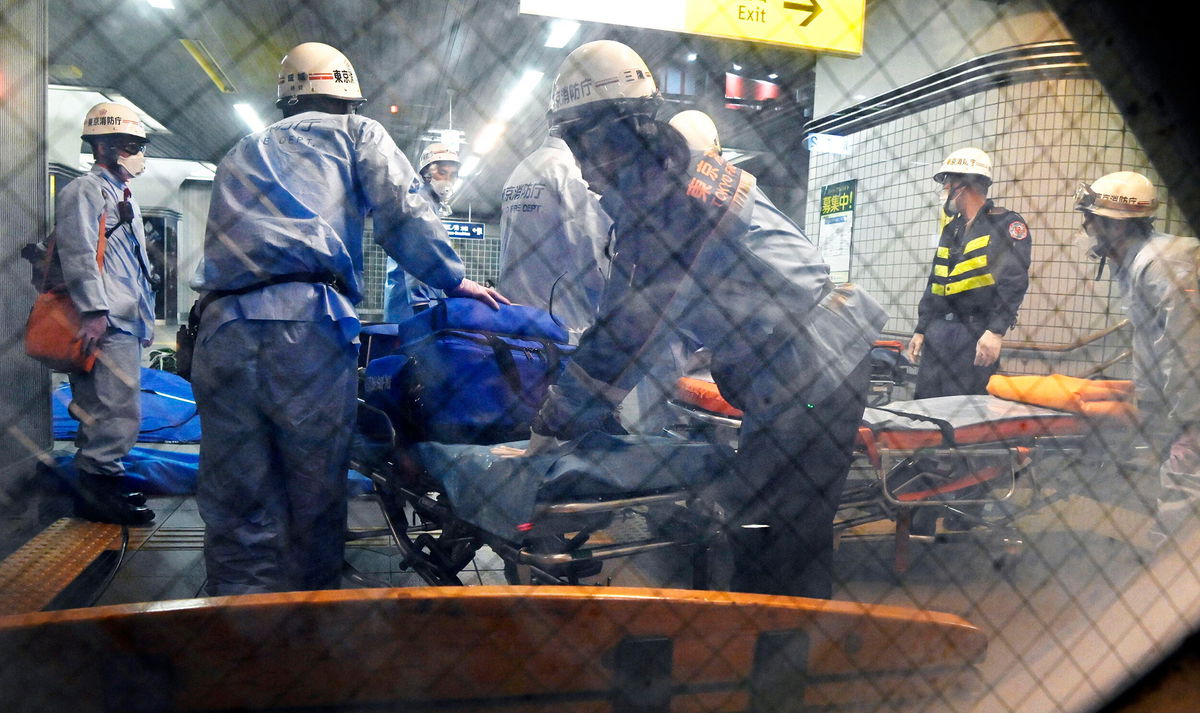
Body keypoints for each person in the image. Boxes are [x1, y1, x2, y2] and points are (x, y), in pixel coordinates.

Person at [527, 41, 887, 598]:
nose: (578, 163)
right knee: (777, 527)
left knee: (777, 532)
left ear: (606, 136)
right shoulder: (671, 174)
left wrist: (554, 419)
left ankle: (776, 660)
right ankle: (770, 643)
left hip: (812, 366)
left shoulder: (665, 199)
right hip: (803, 359)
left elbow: (626, 332)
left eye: (578, 142)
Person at [192, 42, 507, 595]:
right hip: (304, 324)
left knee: (235, 488)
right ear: (349, 99)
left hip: (223, 323)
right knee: (313, 478)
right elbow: (402, 211)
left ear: (287, 100)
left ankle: (236, 621)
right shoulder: (357, 134)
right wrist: (455, 280)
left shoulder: (243, 149)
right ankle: (311, 610)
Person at [1074, 171, 1200, 537]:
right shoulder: (1135, 261)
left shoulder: (1163, 264)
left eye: (1092, 219)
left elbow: (1187, 347)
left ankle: (1171, 574)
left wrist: (1189, 420)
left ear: (1115, 226)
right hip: (1175, 405)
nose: (1087, 227)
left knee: (1183, 488)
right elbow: (1154, 341)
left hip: (1192, 406)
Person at [51, 102, 156, 526]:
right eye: (130, 146)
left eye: (137, 146)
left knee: (117, 405)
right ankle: (97, 489)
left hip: (125, 319)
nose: (137, 154)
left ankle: (103, 481)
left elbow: (133, 265)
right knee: (112, 408)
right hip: (106, 319)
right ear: (104, 147)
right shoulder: (85, 190)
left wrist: (145, 320)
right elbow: (79, 253)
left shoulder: (122, 195)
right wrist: (94, 311)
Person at [905, 148, 1031, 398]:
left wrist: (996, 332)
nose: (944, 190)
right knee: (926, 401)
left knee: (962, 406)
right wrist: (922, 328)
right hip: (939, 330)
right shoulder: (952, 229)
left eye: (947, 183)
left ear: (962, 186)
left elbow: (1013, 282)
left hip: (974, 332)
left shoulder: (1006, 225)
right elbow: (936, 280)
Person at [498, 129, 612, 340]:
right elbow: (595, 268)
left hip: (513, 318)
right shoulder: (570, 173)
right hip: (561, 327)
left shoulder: (522, 170)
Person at [383, 143, 460, 321]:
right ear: (426, 173)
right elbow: (418, 257)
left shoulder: (428, 203)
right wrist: (421, 305)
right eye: (442, 172)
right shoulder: (420, 203)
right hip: (412, 307)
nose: (447, 180)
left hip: (413, 302)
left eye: (452, 174)